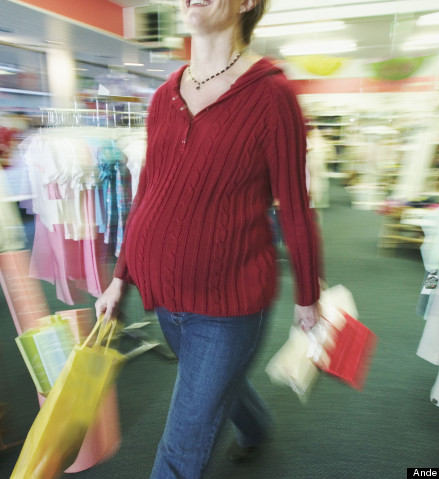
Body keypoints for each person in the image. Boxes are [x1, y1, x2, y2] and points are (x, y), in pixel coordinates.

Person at [94, 0, 322, 477]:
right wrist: (120, 278)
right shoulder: (164, 96)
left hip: (229, 303)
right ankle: (256, 427)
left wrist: (308, 296)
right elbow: (148, 193)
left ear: (247, 3)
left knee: (181, 447)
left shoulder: (272, 96)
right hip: (165, 297)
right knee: (215, 382)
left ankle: (241, 428)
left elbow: (295, 207)